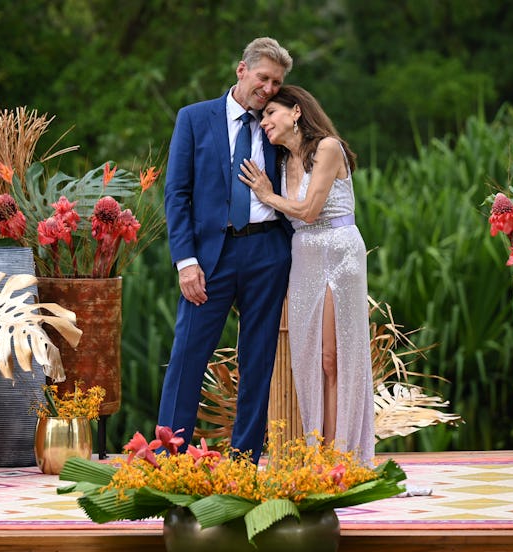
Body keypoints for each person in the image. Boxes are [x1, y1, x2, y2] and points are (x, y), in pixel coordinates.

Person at [158, 37, 294, 463]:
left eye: (277, 82)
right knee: (187, 356)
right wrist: (186, 261)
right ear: (242, 70)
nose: (269, 88)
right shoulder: (195, 119)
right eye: (263, 77)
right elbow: (177, 194)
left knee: (258, 361)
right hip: (210, 258)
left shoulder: (277, 125)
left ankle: (244, 461)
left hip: (268, 252)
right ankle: (170, 458)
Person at [239, 84, 375, 464]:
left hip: (338, 252)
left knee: (333, 357)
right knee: (309, 359)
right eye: (262, 116)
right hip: (305, 258)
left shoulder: (328, 148)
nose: (264, 121)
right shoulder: (282, 163)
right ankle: (320, 452)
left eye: (270, 113)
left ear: (295, 111)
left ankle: (339, 456)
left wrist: (267, 196)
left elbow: (311, 210)